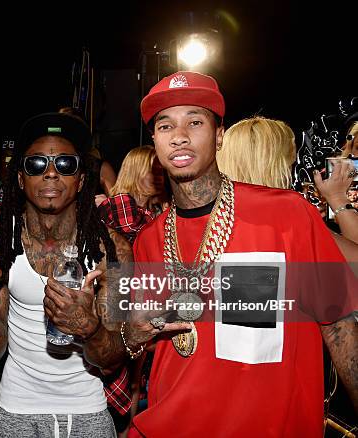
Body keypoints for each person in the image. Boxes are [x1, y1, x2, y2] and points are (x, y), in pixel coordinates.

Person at [103, 71, 356, 437]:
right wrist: (130, 333)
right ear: (156, 145)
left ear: (219, 136)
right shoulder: (148, 241)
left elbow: (340, 328)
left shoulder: (286, 215)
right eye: (165, 126)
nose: (179, 136)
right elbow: (135, 356)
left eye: (195, 121)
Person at [0, 112, 146, 437]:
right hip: (17, 411)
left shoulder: (113, 250)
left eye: (65, 164)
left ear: (81, 179)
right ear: (20, 178)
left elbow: (112, 358)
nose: (51, 174)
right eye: (37, 164)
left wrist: (91, 328)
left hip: (89, 412)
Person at [218, 116, 358, 253]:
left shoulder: (212, 217)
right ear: (276, 167)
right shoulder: (290, 212)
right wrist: (338, 198)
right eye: (290, 163)